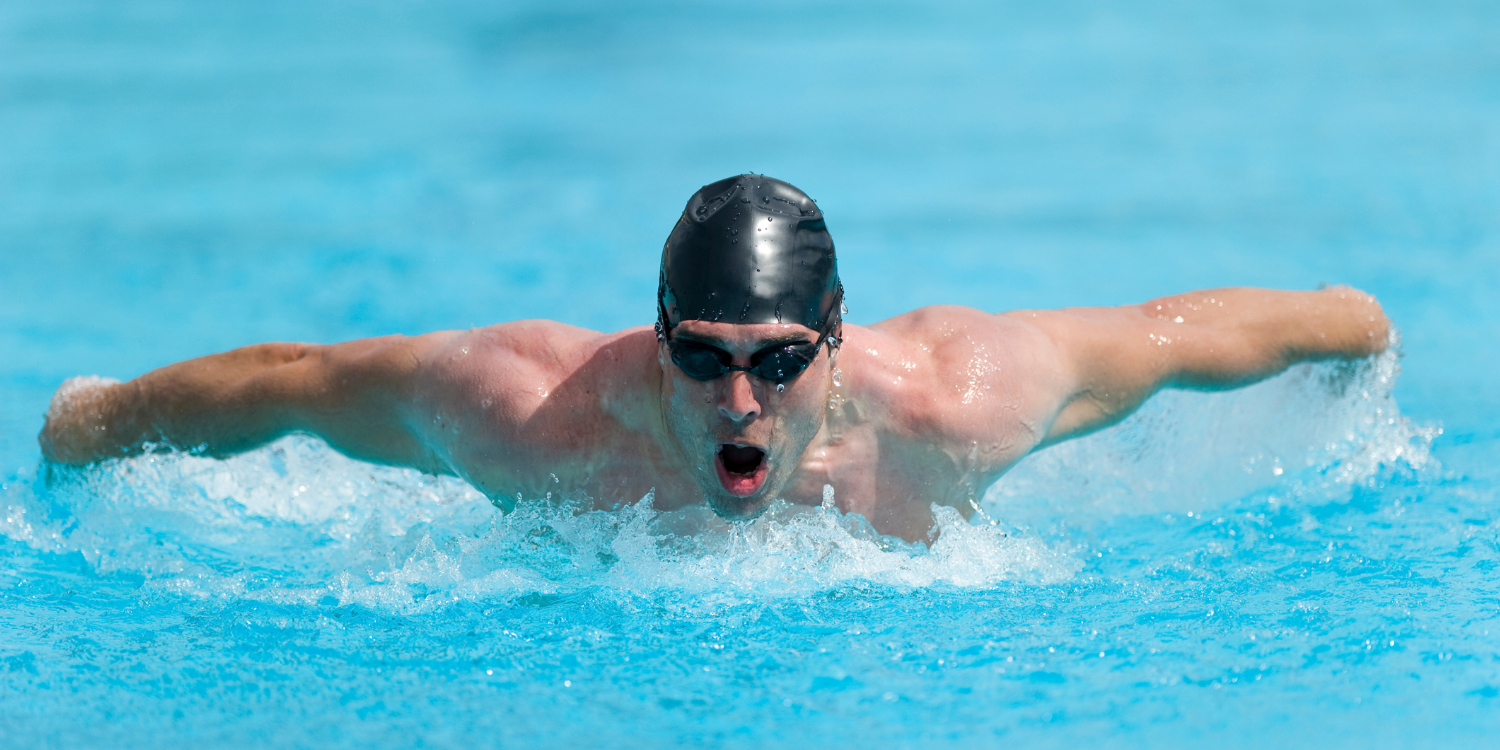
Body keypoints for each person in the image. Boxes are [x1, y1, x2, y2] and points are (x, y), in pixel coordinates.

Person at [39, 175, 1390, 541]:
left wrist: (1348, 319)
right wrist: (95, 418)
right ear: (659, 339)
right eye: (705, 361)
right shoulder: (541, 414)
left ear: (836, 342)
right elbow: (308, 379)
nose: (739, 401)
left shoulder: (957, 401)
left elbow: (1176, 335)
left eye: (779, 361)